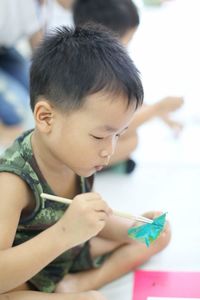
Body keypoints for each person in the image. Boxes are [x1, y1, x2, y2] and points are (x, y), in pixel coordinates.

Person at [0, 25, 170, 299]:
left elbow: (98, 219)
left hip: (69, 255)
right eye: (100, 136)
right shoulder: (12, 182)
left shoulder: (77, 155)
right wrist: (65, 232)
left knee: (158, 236)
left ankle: (81, 283)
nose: (109, 150)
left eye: (118, 135)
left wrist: (136, 229)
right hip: (23, 280)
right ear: (46, 118)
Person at [73, 0, 184, 173]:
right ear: (109, 37)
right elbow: (116, 125)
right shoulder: (95, 72)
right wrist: (156, 109)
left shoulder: (80, 55)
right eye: (128, 39)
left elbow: (128, 101)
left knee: (131, 140)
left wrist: (162, 114)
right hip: (75, 145)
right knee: (131, 141)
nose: (127, 46)